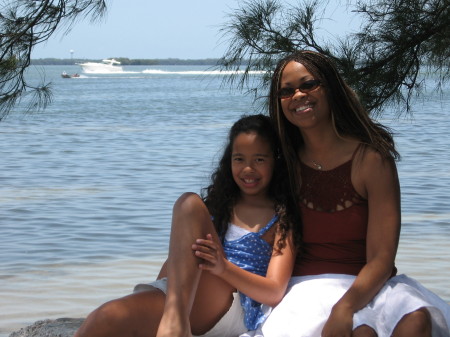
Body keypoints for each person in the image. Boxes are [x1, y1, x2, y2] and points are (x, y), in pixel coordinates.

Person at [244, 50, 450, 337]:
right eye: (287, 91)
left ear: (330, 87)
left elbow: (381, 258)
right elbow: (235, 210)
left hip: (369, 286)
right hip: (307, 289)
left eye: (308, 85)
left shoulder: (372, 159)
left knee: (415, 322)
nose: (298, 95)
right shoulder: (283, 165)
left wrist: (345, 307)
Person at [73, 114, 298, 337]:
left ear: (275, 161)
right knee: (104, 318)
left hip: (233, 303)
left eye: (259, 159)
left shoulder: (281, 218)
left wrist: (223, 267)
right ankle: (174, 320)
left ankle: (175, 325)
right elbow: (180, 261)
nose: (248, 169)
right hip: (186, 297)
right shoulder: (218, 207)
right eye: (239, 159)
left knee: (190, 203)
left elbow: (274, 291)